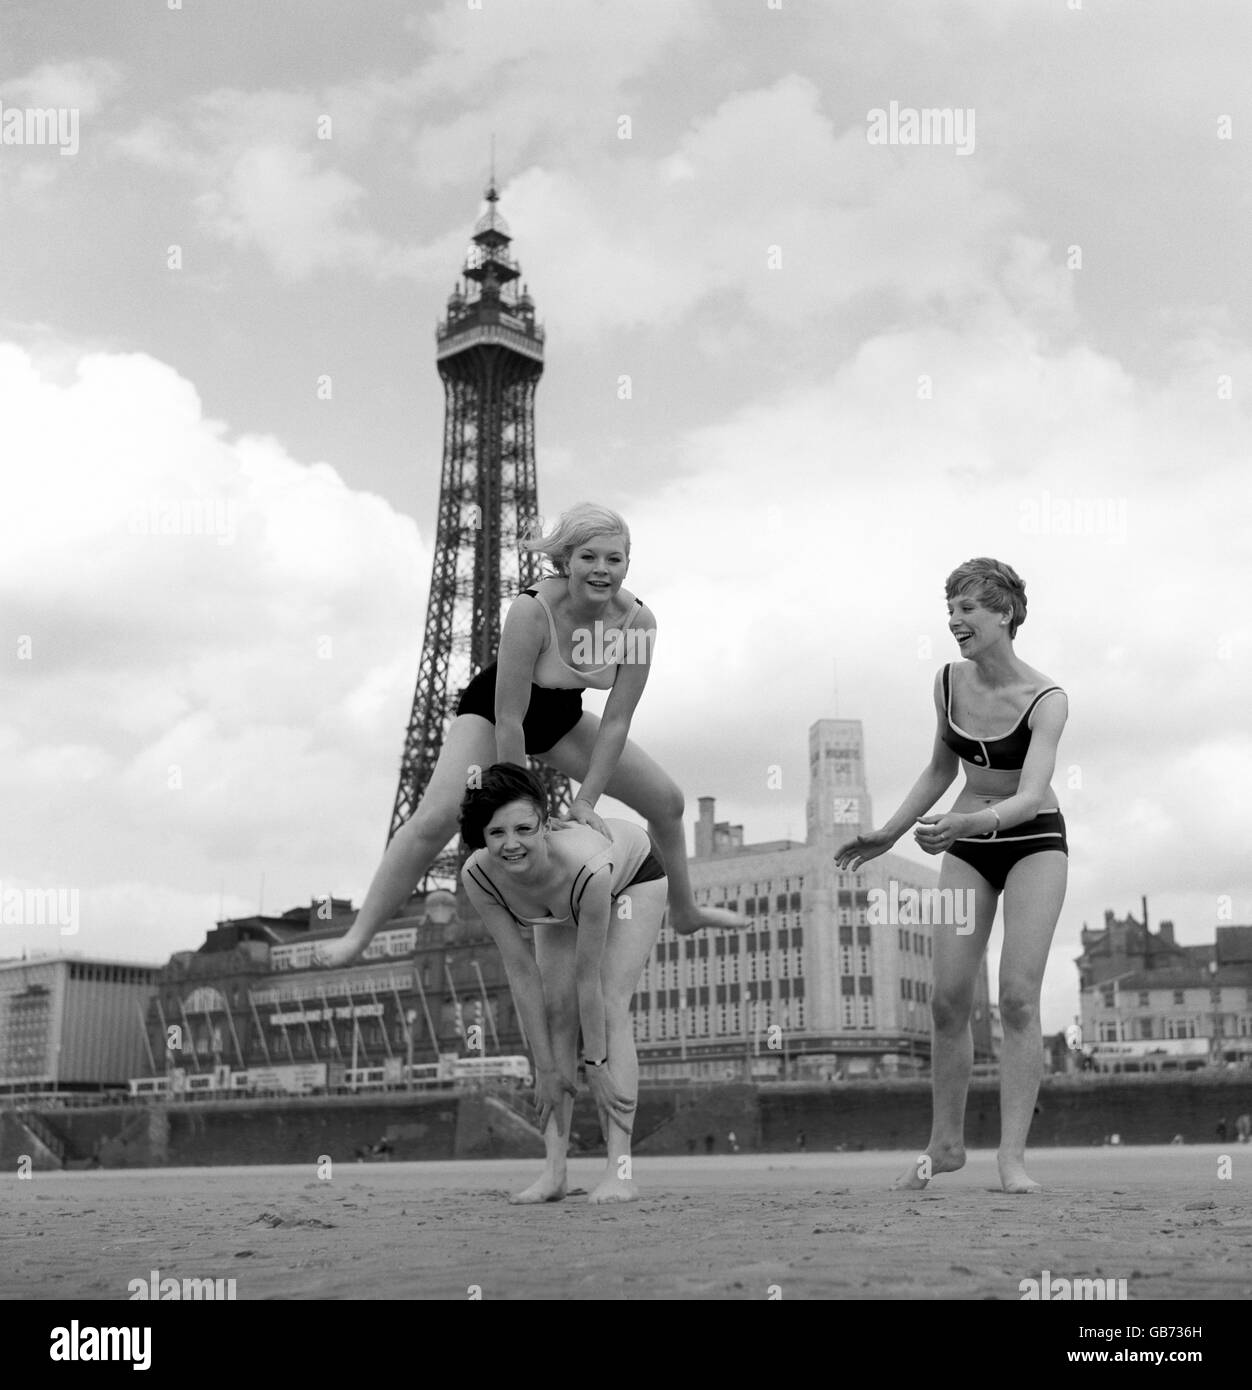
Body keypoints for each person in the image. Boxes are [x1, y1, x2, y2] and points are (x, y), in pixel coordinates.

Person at [314, 503, 743, 969]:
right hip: (495, 713)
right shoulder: (532, 610)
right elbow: (510, 716)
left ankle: (684, 909)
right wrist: (526, 811)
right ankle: (359, 936)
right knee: (434, 821)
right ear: (566, 561)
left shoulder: (637, 623)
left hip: (561, 715)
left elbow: (617, 721)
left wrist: (585, 803)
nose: (602, 569)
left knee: (668, 802)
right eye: (589, 557)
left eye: (614, 559)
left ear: (627, 564)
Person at [836, 558, 1068, 1195]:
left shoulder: (1047, 700)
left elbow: (1029, 796)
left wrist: (967, 825)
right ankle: (945, 1145)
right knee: (947, 1001)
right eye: (951, 608)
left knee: (1017, 998)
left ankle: (1012, 1158)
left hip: (1032, 843)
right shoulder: (946, 682)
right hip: (966, 842)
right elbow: (941, 770)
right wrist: (888, 831)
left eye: (968, 608)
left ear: (1006, 613)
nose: (955, 620)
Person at [459, 763, 667, 1204]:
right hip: (554, 898)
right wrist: (547, 1070)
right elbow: (520, 973)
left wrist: (596, 1067)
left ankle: (619, 1172)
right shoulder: (478, 875)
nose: (511, 844)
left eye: (523, 828)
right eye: (496, 833)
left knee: (609, 1008)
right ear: (482, 837)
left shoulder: (588, 868)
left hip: (630, 878)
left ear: (546, 824)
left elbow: (586, 977)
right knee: (556, 1014)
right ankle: (554, 1173)